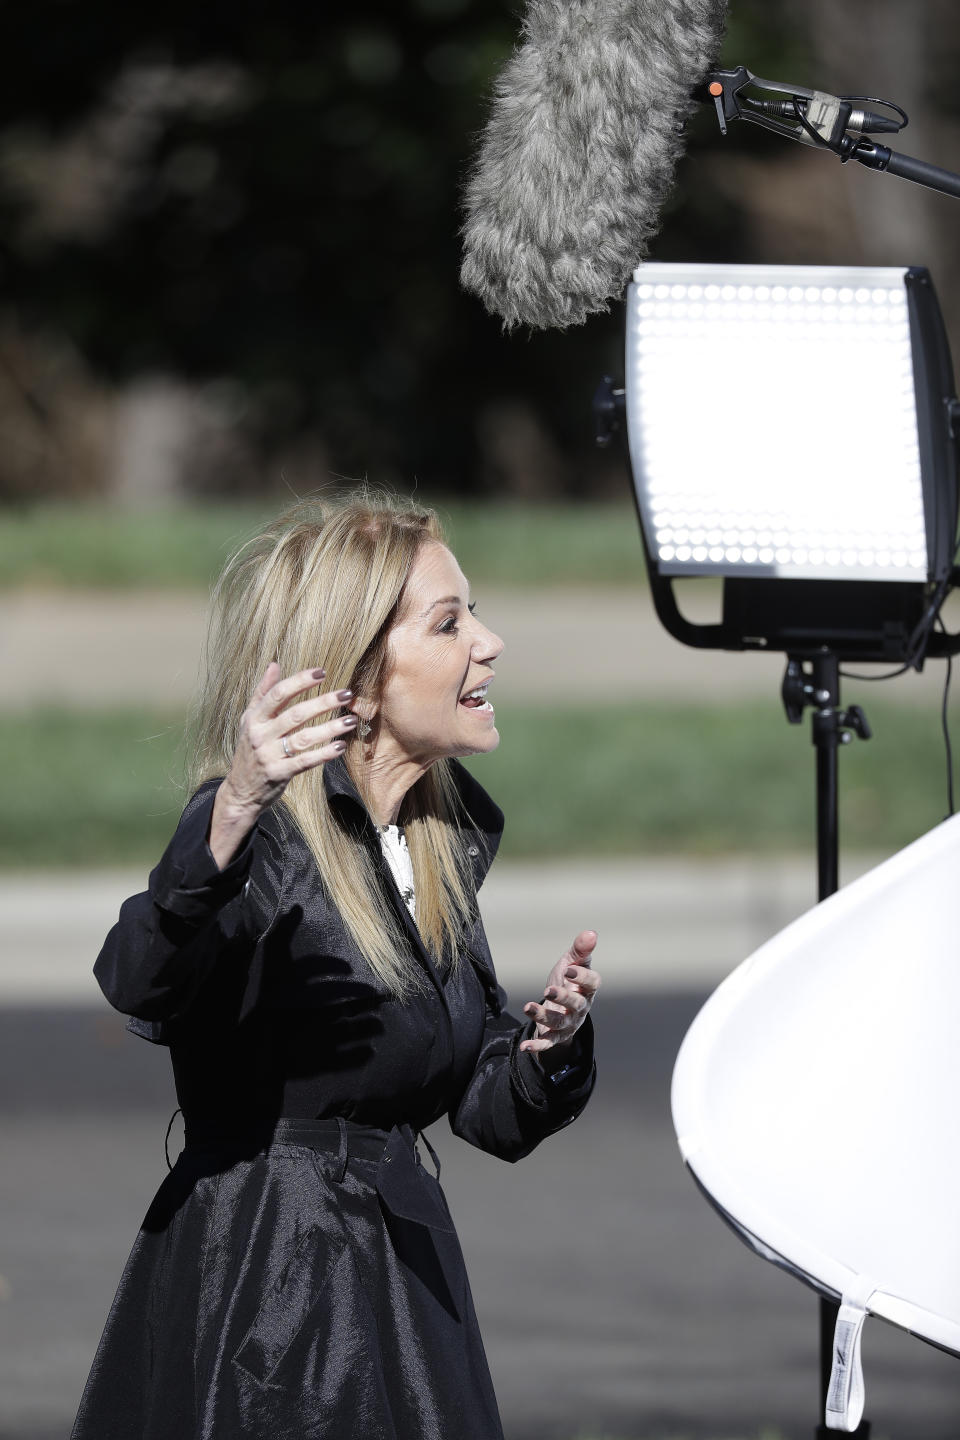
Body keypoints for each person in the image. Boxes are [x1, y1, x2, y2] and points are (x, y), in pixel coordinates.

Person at [71, 492, 599, 1440]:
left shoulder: (435, 838)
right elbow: (141, 978)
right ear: (357, 671)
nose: (491, 641)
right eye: (450, 621)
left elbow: (474, 1104)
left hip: (399, 1274)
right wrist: (231, 809)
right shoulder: (259, 829)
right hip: (271, 1284)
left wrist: (543, 1051)